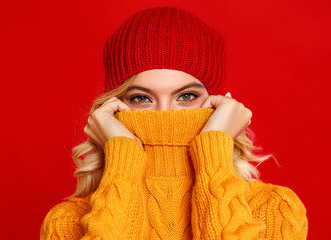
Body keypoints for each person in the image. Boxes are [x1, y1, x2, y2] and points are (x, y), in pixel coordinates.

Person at [40, 6, 308, 240]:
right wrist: (123, 156)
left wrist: (214, 151)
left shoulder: (273, 209)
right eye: (142, 98)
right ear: (112, 109)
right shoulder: (66, 223)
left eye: (187, 96)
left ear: (221, 107)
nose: (164, 113)